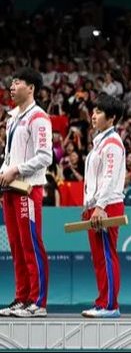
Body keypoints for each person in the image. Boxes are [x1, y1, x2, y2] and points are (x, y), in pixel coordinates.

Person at [0, 68, 52, 317]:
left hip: (28, 189)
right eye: (11, 83)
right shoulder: (13, 119)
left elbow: (45, 156)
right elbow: (9, 156)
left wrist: (16, 170)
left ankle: (38, 301)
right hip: (9, 189)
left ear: (31, 88)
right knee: (16, 245)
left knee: (31, 243)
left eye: (17, 82)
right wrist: (3, 174)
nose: (12, 86)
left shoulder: (38, 117)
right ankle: (21, 297)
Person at [81, 93, 126, 318]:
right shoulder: (98, 143)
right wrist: (87, 205)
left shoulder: (113, 143)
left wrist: (99, 207)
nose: (93, 115)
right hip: (96, 205)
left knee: (107, 255)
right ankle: (102, 302)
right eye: (94, 111)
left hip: (108, 206)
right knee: (99, 257)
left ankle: (111, 305)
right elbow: (93, 180)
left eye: (99, 112)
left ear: (112, 118)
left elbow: (109, 177)